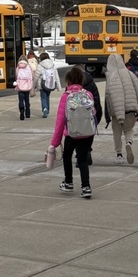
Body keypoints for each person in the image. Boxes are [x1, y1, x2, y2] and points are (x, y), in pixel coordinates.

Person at [49, 65, 95, 198]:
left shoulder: (66, 97)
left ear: (68, 81)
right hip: (87, 133)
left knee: (67, 156)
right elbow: (93, 113)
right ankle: (86, 187)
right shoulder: (88, 94)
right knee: (82, 160)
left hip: (71, 134)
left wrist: (55, 142)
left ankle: (68, 182)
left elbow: (60, 121)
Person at [104, 52, 138, 164]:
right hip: (131, 108)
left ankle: (119, 154)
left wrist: (107, 114)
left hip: (116, 110)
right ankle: (128, 142)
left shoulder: (110, 76)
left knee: (117, 132)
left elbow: (108, 96)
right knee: (129, 129)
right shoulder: (130, 74)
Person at [80, 66, 103, 166]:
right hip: (90, 114)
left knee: (77, 134)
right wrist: (97, 113)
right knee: (89, 134)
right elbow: (96, 99)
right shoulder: (91, 83)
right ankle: (88, 150)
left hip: (76, 116)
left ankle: (80, 155)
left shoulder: (71, 85)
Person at [34, 50, 60, 117]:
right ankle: (47, 110)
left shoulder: (40, 65)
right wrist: (58, 86)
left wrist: (33, 86)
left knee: (43, 97)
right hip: (50, 84)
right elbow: (56, 76)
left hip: (42, 84)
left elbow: (36, 76)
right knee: (47, 97)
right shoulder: (52, 65)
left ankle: (45, 109)